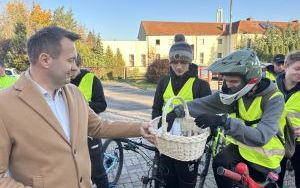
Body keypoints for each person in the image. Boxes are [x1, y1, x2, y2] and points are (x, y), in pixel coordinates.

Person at [0, 26, 154, 188]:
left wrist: (139, 128)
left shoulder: (74, 93)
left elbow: (98, 127)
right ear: (45, 60)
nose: (75, 67)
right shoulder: (5, 105)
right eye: (70, 60)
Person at [167, 49, 286, 188]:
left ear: (251, 80)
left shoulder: (274, 99)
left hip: (266, 157)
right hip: (245, 147)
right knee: (219, 162)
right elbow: (204, 103)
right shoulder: (238, 93)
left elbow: (261, 136)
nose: (228, 85)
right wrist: (178, 110)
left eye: (233, 81)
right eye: (225, 80)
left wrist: (224, 121)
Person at [152, 34, 212, 188]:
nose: (179, 67)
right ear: (170, 62)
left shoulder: (200, 85)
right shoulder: (164, 82)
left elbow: (207, 113)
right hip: (167, 140)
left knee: (185, 183)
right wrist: (157, 132)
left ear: (189, 61)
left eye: (183, 62)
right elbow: (156, 109)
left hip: (188, 144)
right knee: (167, 180)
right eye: (175, 62)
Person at [71, 53, 109, 188]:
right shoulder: (63, 79)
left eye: (73, 68)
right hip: (71, 134)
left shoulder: (92, 79)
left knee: (98, 172)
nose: (70, 71)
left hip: (90, 131)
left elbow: (102, 104)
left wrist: (82, 105)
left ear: (79, 64)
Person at [276, 51, 300, 188]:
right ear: (286, 66)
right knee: (274, 180)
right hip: (276, 141)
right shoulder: (271, 87)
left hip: (298, 143)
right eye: (297, 69)